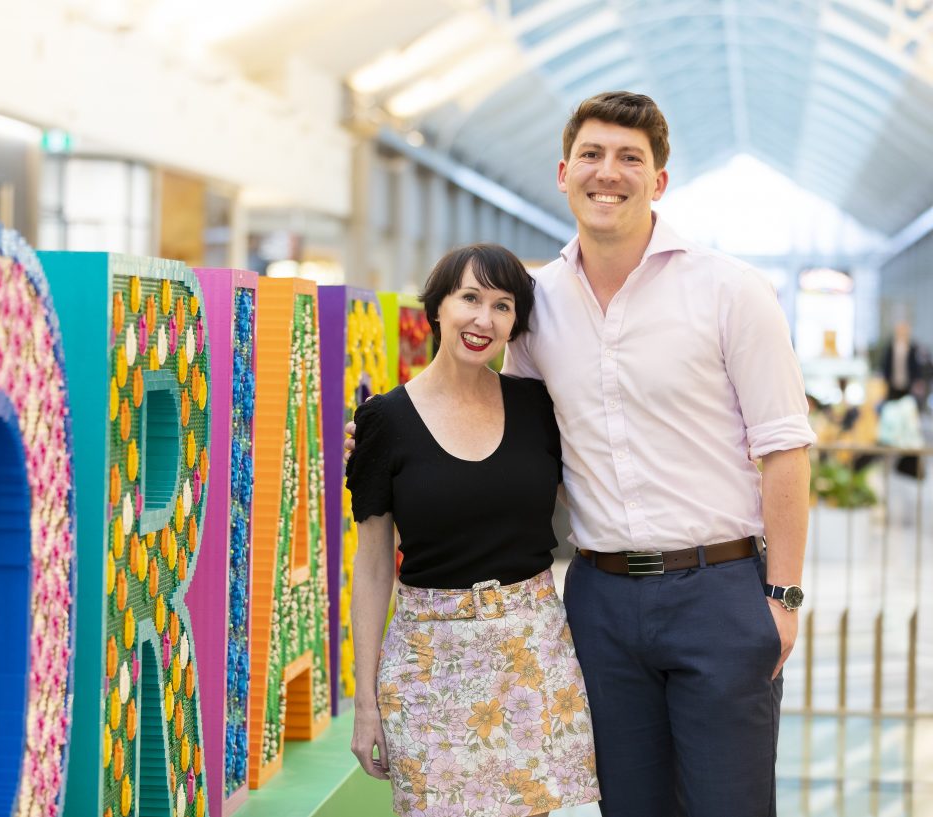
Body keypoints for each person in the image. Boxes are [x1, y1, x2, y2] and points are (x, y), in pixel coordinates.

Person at [347, 91, 814, 817]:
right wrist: (386, 432)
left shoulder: (730, 291)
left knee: (730, 804)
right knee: (626, 804)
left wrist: (781, 598)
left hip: (716, 590)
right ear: (565, 172)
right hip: (599, 601)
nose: (609, 172)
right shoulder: (535, 306)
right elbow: (503, 431)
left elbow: (785, 448)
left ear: (658, 180)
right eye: (593, 155)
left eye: (631, 158)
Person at [345, 244, 601, 817]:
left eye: (503, 306)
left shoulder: (538, 406)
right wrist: (366, 704)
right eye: (470, 298)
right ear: (438, 306)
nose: (484, 319)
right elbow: (373, 563)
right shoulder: (384, 421)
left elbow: (596, 487)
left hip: (533, 657)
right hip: (427, 666)